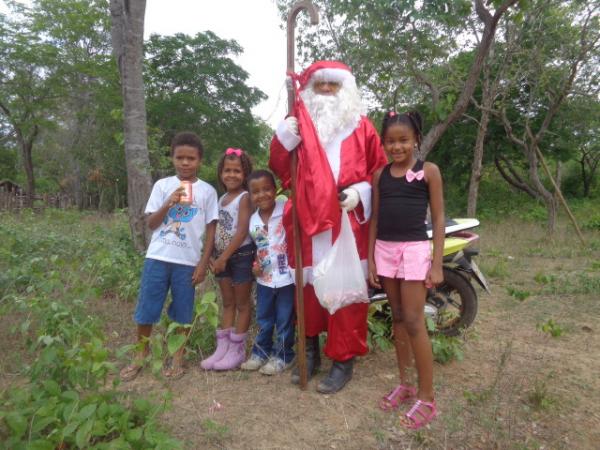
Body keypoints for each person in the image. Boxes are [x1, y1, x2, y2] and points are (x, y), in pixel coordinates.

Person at [270, 61, 388, 393]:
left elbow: (378, 173)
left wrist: (359, 193)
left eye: (332, 85)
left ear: (345, 89)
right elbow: (280, 169)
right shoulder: (298, 126)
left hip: (346, 224)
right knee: (306, 292)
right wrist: (284, 138)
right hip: (307, 222)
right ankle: (310, 352)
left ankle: (343, 360)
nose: (325, 90)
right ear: (308, 89)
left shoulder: (362, 127)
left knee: (345, 293)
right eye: (319, 84)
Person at [120, 131, 218, 381]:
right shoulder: (162, 185)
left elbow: (211, 230)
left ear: (200, 160)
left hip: (187, 263)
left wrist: (203, 263)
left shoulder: (207, 192)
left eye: (191, 158)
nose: (185, 163)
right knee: (147, 309)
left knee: (183, 312)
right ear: (172, 158)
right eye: (180, 157)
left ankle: (177, 356)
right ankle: (140, 355)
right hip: (158, 258)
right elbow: (151, 224)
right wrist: (168, 203)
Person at [368, 111, 444, 429]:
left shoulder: (428, 171)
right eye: (391, 141)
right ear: (383, 143)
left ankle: (427, 399)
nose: (397, 147)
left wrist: (437, 263)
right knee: (397, 318)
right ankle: (406, 384)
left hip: (413, 251)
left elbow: (438, 219)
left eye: (403, 140)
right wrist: (372, 259)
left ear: (416, 140)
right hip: (384, 250)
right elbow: (374, 219)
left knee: (414, 321)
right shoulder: (379, 176)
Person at [200, 148, 255, 371]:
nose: (231, 175)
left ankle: (237, 349)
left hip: (240, 256)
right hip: (221, 258)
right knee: (228, 302)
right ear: (220, 173)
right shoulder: (221, 198)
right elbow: (215, 229)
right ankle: (222, 349)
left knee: (242, 304)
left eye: (236, 171)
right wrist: (212, 257)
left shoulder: (244, 198)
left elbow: (241, 232)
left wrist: (223, 257)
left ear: (245, 174)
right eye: (227, 170)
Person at [240, 170, 295, 375]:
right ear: (250, 195)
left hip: (286, 278)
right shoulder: (253, 220)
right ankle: (260, 353)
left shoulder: (286, 208)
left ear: (275, 189)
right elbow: (259, 247)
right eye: (256, 191)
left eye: (267, 189)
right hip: (264, 280)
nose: (262, 195)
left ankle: (283, 355)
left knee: (284, 319)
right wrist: (255, 265)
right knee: (264, 319)